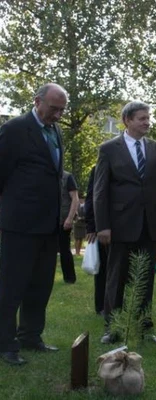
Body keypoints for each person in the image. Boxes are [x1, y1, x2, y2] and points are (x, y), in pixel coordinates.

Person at [0, 83, 68, 365]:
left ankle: (30, 336)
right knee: (11, 286)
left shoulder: (55, 131)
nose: (58, 115)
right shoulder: (15, 129)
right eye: (54, 109)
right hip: (20, 224)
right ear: (37, 101)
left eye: (62, 110)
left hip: (48, 225)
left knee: (40, 286)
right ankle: (5, 344)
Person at [94, 100, 156, 344]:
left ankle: (144, 327)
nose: (147, 122)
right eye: (142, 118)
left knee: (145, 277)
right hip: (119, 225)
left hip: (149, 224)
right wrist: (102, 225)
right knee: (116, 278)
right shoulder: (108, 149)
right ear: (127, 120)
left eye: (148, 118)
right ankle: (113, 328)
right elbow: (100, 190)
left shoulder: (155, 148)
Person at [85, 166, 108, 315]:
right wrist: (91, 227)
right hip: (102, 226)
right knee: (103, 268)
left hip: (126, 225)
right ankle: (101, 306)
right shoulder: (98, 168)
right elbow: (91, 196)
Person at [58, 170, 79, 284]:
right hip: (50, 220)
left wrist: (70, 218)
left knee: (64, 249)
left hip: (64, 220)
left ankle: (70, 278)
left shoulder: (67, 177)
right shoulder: (47, 175)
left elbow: (75, 199)